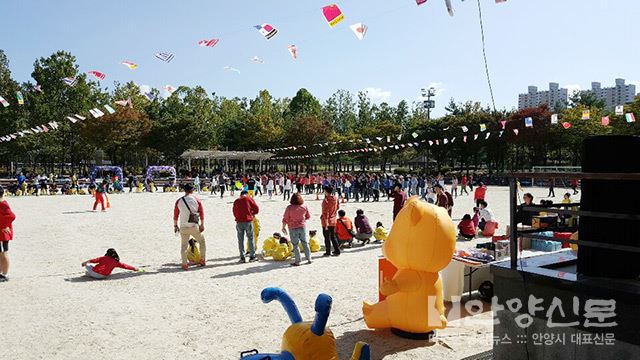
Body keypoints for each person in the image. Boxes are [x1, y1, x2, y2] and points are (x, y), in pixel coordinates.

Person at [173, 184, 207, 270]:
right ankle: (202, 260)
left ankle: (184, 264)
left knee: (183, 246)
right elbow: (202, 213)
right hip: (194, 226)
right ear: (192, 190)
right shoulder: (196, 200)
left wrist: (175, 225)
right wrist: (202, 224)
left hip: (183, 227)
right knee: (202, 242)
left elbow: (176, 215)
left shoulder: (179, 201)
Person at [281, 193, 312, 266]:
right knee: (305, 242)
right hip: (302, 226)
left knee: (295, 244)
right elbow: (308, 216)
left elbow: (285, 218)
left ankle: (298, 260)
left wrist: (283, 227)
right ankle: (309, 258)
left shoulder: (289, 208)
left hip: (292, 227)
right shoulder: (304, 206)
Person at [233, 190, 260, 263]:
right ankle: (252, 256)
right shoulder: (249, 198)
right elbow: (256, 209)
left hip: (239, 222)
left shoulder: (236, 201)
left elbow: (234, 212)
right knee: (250, 238)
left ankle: (242, 257)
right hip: (248, 221)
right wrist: (252, 213)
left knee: (240, 240)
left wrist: (238, 217)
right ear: (247, 194)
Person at [0, 186, 16, 282]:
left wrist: (5, 225)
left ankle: (5, 274)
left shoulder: (3, 204)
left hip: (2, 234)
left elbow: (12, 216)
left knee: (3, 253)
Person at [320, 186, 341, 256]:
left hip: (326, 221)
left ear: (326, 191)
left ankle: (328, 251)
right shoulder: (335, 198)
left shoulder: (326, 200)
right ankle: (337, 250)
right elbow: (338, 207)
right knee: (333, 236)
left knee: (327, 237)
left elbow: (325, 212)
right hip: (333, 219)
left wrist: (325, 223)